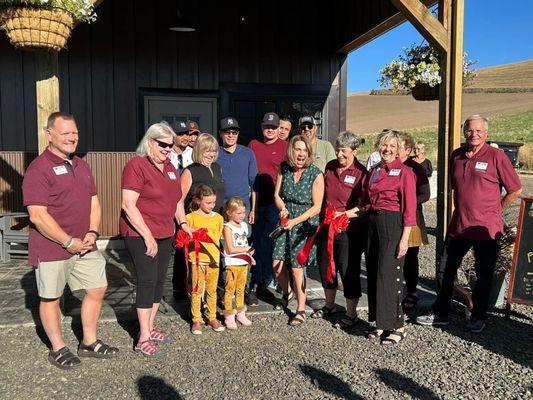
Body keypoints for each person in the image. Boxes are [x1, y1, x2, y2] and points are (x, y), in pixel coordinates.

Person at [22, 111, 118, 369]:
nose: (71, 138)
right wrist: (67, 242)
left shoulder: (81, 165)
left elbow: (93, 202)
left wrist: (93, 232)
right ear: (49, 134)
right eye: (65, 133)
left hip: (85, 244)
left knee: (97, 288)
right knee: (51, 297)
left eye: (74, 132)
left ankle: (89, 342)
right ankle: (58, 347)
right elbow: (38, 215)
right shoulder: (38, 169)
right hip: (53, 247)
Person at [417, 115, 522, 333]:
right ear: (464, 132)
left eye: (478, 131)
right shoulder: (456, 156)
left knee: (483, 275)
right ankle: (441, 312)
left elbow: (515, 190)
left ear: (486, 133)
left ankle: (478, 316)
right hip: (459, 226)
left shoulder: (496, 156)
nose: (473, 134)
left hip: (486, 228)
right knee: (446, 270)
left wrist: (496, 209)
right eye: (469, 130)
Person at [120, 121, 190, 356]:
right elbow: (128, 205)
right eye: (163, 145)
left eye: (170, 146)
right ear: (150, 141)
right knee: (147, 280)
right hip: (140, 233)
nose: (167, 149)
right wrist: (147, 236)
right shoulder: (136, 165)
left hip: (165, 232)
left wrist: (183, 223)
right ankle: (143, 337)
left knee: (160, 281)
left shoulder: (171, 167)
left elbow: (177, 201)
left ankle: (150, 326)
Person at [360, 130, 417, 344]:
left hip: (392, 224)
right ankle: (380, 323)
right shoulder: (374, 171)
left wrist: (405, 239)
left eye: (392, 146)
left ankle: (399, 326)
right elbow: (365, 200)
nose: (387, 149)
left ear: (398, 150)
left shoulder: (404, 172)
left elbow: (409, 209)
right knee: (374, 274)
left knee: (389, 276)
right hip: (373, 223)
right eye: (384, 145)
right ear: (378, 147)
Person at [312, 131, 368, 329]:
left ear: (354, 150)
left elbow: (364, 207)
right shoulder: (330, 167)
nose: (339, 154)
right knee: (326, 266)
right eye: (337, 150)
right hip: (327, 227)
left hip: (349, 231)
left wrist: (342, 215)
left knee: (348, 270)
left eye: (343, 151)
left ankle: (351, 313)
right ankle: (329, 305)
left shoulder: (362, 173)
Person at [272, 135, 324, 325]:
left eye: (304, 150)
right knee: (277, 265)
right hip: (286, 220)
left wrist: (295, 221)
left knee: (296, 268)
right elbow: (277, 195)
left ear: (309, 153)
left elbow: (317, 207)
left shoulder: (315, 174)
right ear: (291, 151)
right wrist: (282, 208)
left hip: (304, 224)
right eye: (298, 149)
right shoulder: (283, 168)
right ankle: (288, 292)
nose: (301, 153)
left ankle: (300, 308)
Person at [248, 112, 288, 305]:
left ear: (278, 128)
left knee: (270, 245)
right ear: (262, 127)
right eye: (267, 127)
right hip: (256, 203)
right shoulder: (253, 146)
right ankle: (255, 283)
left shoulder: (285, 147)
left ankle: (268, 283)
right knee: (255, 244)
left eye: (273, 127)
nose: (270, 130)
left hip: (275, 203)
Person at [185, 185, 225, 335]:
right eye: (208, 203)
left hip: (213, 260)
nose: (211, 205)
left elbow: (219, 237)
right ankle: (196, 318)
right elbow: (185, 239)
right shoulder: (190, 218)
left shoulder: (219, 218)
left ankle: (212, 316)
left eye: (213, 202)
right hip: (197, 260)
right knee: (196, 290)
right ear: (198, 201)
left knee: (212, 290)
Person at [398, 132, 430, 313]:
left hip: (412, 217)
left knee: (410, 256)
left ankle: (411, 291)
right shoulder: (388, 167)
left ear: (408, 150)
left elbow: (425, 194)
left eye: (399, 147)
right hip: (392, 216)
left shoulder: (415, 168)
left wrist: (407, 202)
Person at [221, 197, 255, 329]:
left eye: (243, 213)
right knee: (230, 289)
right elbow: (230, 248)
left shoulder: (244, 226)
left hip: (243, 263)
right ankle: (229, 315)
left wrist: (248, 253)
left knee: (241, 288)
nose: (242, 216)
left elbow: (244, 241)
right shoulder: (227, 227)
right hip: (232, 263)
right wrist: (246, 249)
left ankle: (240, 312)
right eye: (238, 213)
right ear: (229, 212)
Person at [217, 116, 258, 223]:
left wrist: (253, 209)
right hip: (221, 207)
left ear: (238, 134)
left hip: (242, 207)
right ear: (221, 133)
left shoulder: (247, 153)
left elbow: (254, 184)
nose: (231, 135)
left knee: (242, 238)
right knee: (222, 239)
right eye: (227, 132)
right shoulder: (214, 153)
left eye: (234, 132)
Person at [179, 133, 226, 213]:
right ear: (199, 151)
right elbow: (179, 201)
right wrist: (183, 223)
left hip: (217, 219)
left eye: (214, 151)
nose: (212, 155)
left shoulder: (217, 167)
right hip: (197, 221)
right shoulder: (190, 171)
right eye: (208, 151)